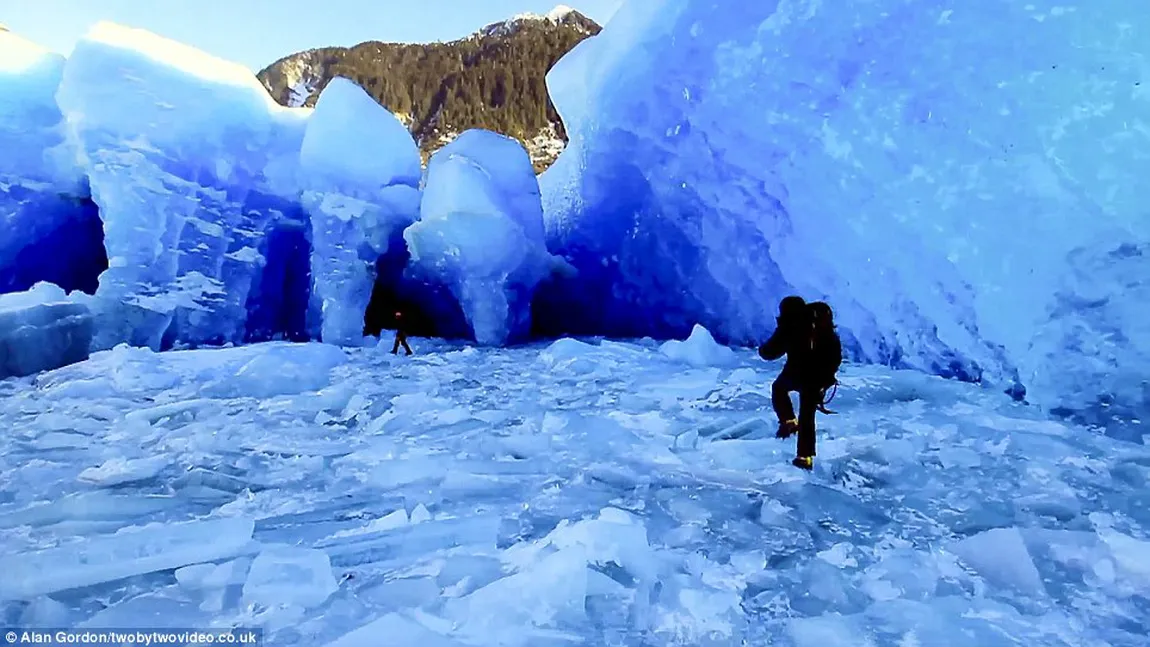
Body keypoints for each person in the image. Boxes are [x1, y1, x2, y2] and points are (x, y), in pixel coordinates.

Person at [758, 296, 842, 470]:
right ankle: (805, 456)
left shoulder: (789, 325)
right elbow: (835, 354)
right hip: (818, 376)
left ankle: (788, 422)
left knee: (778, 389)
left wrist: (762, 349)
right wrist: (827, 378)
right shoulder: (820, 325)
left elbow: (770, 352)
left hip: (797, 372)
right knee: (807, 414)